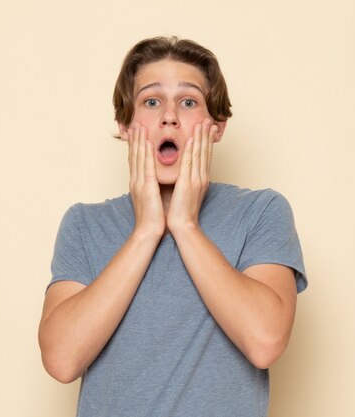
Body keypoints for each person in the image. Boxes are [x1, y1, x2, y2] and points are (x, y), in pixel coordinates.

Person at [38, 36, 308, 417]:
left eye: (188, 101)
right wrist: (146, 229)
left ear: (216, 126)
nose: (169, 115)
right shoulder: (84, 224)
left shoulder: (261, 212)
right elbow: (62, 360)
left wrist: (185, 224)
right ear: (126, 125)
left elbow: (264, 342)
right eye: (151, 101)